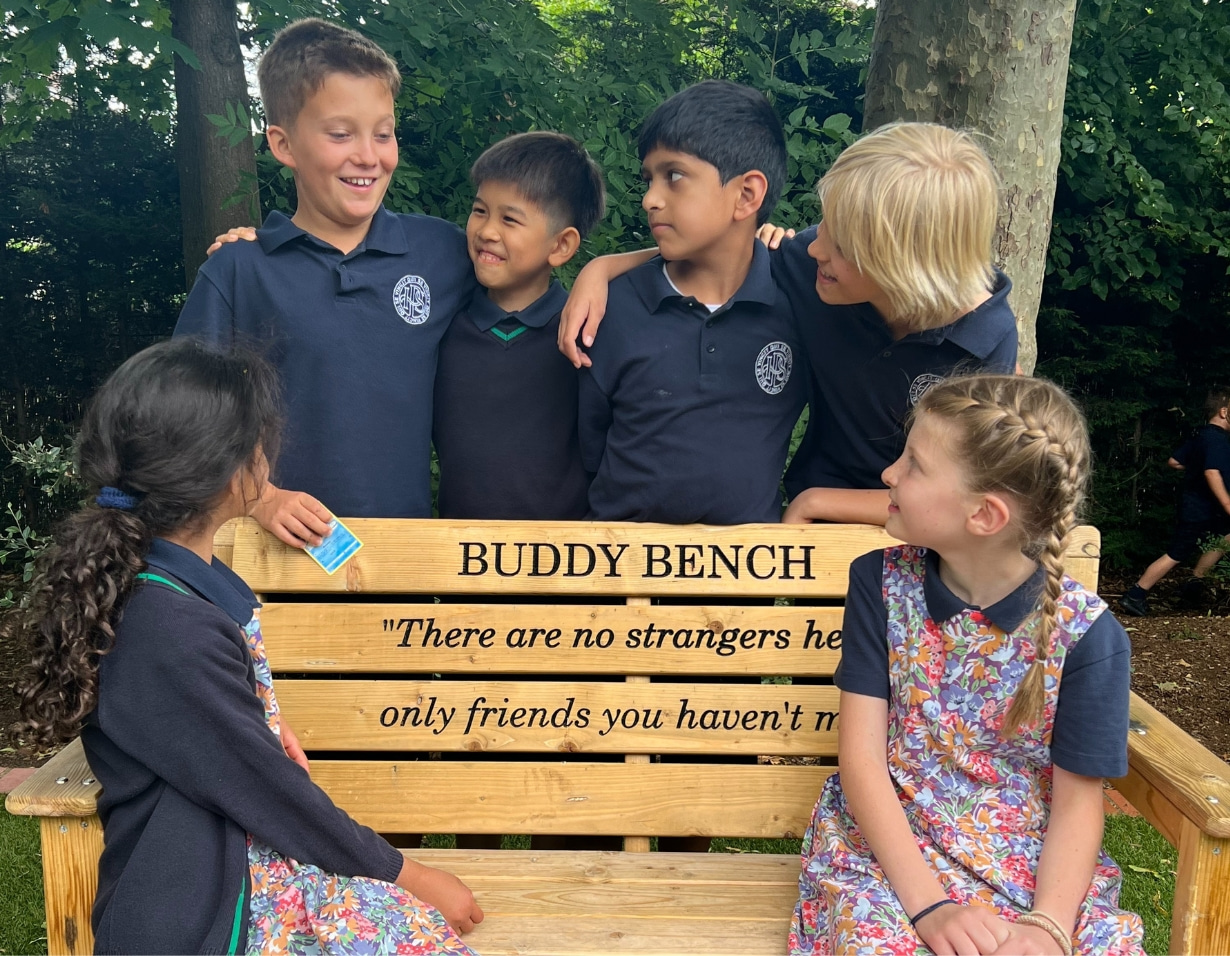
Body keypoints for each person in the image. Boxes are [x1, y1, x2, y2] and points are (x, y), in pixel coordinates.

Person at [11, 339, 483, 954]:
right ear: (235, 472)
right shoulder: (167, 626)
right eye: (259, 441)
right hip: (209, 908)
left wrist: (252, 721)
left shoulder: (166, 584)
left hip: (238, 857)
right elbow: (268, 791)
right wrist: (412, 875)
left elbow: (210, 734)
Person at [791, 373, 1143, 956]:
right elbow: (861, 761)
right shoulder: (880, 587)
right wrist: (930, 908)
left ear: (985, 515)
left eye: (915, 464)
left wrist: (1047, 928)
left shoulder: (1088, 637)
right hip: (890, 853)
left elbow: (1078, 803)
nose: (889, 474)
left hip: (1030, 865)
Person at [560, 122, 1018, 526]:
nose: (815, 248)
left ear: (902, 267)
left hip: (921, 538)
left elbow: (961, 493)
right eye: (823, 227)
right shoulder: (814, 273)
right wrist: (602, 268)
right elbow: (722, 249)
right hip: (813, 541)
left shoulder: (984, 340)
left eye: (840, 246)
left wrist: (818, 502)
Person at [175, 18, 476, 548]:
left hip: (404, 560)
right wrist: (261, 493)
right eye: (341, 134)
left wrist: (602, 269)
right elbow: (185, 412)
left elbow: (534, 266)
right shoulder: (239, 271)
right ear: (283, 143)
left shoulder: (443, 253)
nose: (368, 155)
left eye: (383, 134)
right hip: (271, 562)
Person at [578, 79, 805, 524]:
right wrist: (600, 266)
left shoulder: (800, 299)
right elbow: (586, 448)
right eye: (649, 179)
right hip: (616, 576)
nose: (650, 199)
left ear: (747, 195)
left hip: (741, 582)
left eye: (674, 176)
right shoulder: (612, 309)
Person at [433, 131, 605, 521]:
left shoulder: (586, 335)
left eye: (510, 219)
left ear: (561, 246)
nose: (487, 231)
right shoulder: (440, 328)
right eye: (480, 211)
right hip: (454, 565)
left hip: (564, 566)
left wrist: (605, 266)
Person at [1121, 387, 1230, 616]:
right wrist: (1228, 504)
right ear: (1223, 411)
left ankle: (1195, 582)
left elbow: (1174, 461)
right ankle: (1136, 594)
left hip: (1203, 508)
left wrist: (1196, 468)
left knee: (1225, 535)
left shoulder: (1201, 435)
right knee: (1176, 553)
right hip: (1199, 509)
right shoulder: (1217, 440)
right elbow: (1212, 472)